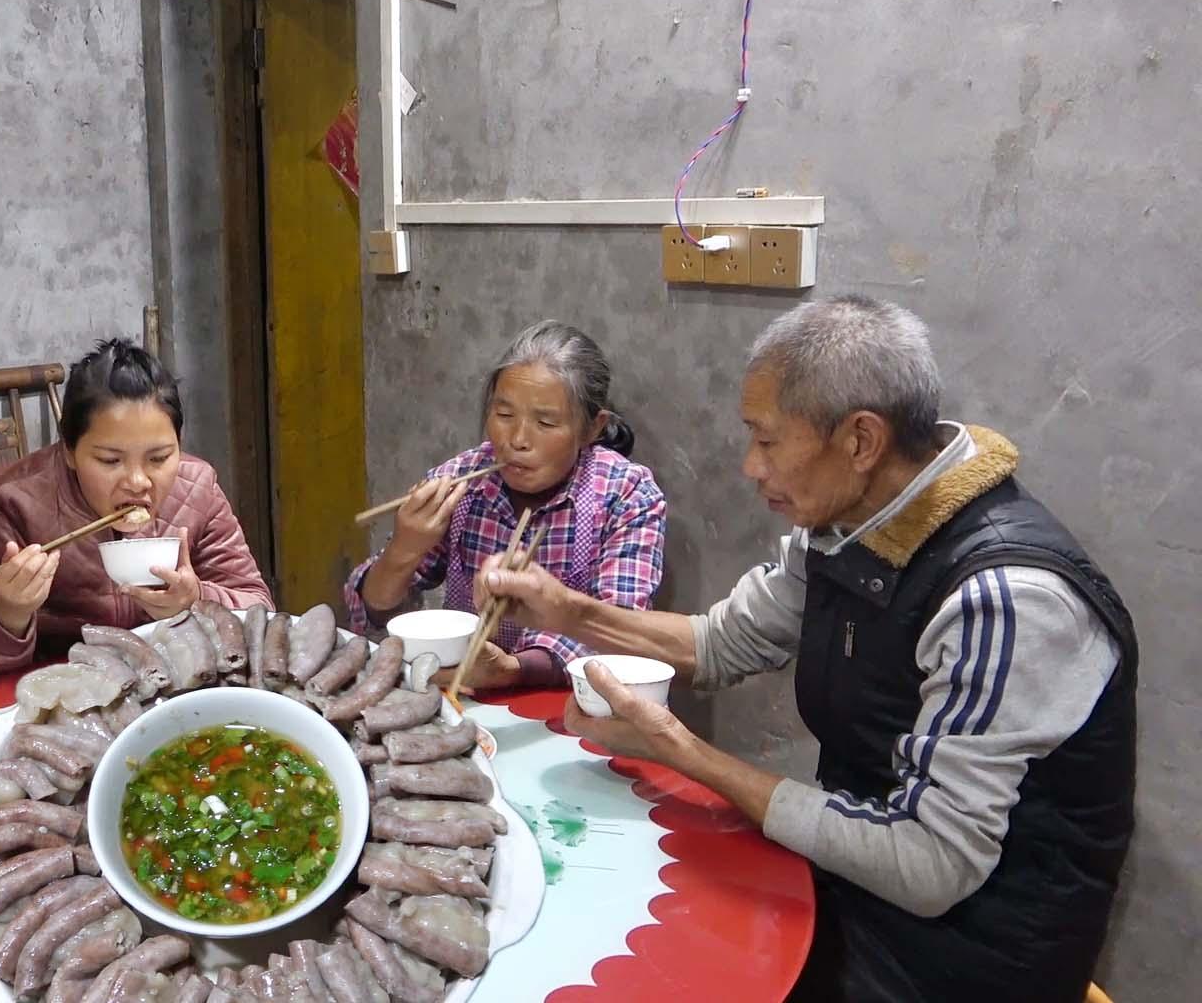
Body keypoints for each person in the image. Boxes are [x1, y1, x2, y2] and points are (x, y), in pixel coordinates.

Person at [478, 297, 1135, 1002]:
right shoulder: (850, 525)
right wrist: (564, 607)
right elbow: (726, 642)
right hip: (852, 887)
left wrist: (683, 751)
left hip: (966, 955)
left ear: (860, 441)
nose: (749, 467)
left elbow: (930, 863)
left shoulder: (1007, 597)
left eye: (767, 440)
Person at [344, 321, 667, 690]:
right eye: (504, 415)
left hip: (573, 703)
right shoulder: (461, 480)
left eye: (545, 421)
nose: (517, 440)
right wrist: (404, 548)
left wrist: (513, 669)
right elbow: (374, 615)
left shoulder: (626, 494)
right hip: (464, 697)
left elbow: (621, 629)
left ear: (593, 428)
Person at [0, 339, 272, 671]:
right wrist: (8, 616)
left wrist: (196, 601)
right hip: (61, 694)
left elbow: (259, 608)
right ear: (69, 452)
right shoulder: (7, 504)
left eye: (159, 457)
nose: (138, 481)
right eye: (110, 460)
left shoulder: (196, 489)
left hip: (174, 681)